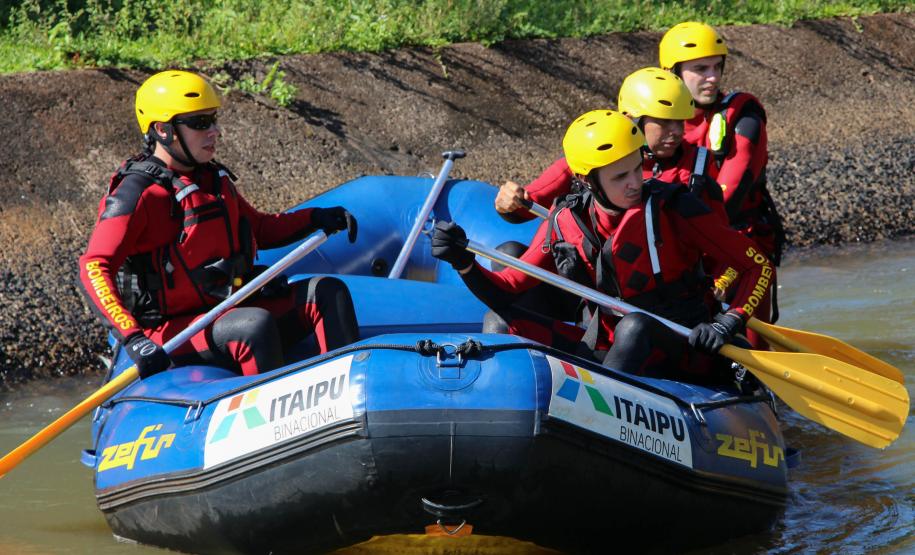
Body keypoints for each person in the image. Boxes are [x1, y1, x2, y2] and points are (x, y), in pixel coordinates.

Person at [433, 110, 775, 382]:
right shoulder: (565, 221)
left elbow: (757, 265)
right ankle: (505, 401)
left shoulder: (677, 210)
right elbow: (508, 289)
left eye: (636, 169)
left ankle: (599, 409)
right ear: (586, 180)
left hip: (681, 348)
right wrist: (463, 262)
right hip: (607, 347)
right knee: (498, 319)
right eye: (619, 177)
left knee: (635, 325)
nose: (634, 183)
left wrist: (727, 323)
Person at [78, 70, 360, 380]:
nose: (214, 131)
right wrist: (133, 338)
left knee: (327, 292)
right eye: (200, 123)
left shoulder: (212, 179)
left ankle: (347, 388)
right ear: (162, 130)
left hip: (224, 308)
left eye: (213, 119)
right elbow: (94, 267)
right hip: (172, 330)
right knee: (253, 326)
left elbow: (261, 229)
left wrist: (315, 218)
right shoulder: (138, 193)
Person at [659, 21, 785, 339]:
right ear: (672, 73)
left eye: (717, 67)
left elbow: (727, 200)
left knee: (748, 344)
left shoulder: (744, 120)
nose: (713, 77)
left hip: (739, 249)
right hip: (678, 244)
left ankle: (756, 375)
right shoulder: (653, 123)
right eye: (701, 69)